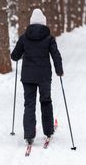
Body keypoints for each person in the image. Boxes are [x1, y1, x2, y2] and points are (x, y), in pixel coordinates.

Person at [11, 8, 63, 145]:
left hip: (28, 77)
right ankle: (48, 131)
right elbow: (56, 55)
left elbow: (14, 56)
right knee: (46, 102)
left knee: (29, 104)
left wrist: (21, 52)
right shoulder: (49, 38)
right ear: (44, 22)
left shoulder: (24, 37)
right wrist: (59, 70)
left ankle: (29, 135)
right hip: (44, 76)